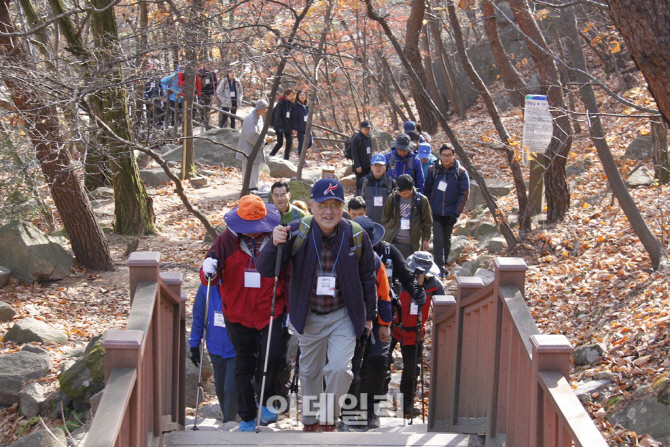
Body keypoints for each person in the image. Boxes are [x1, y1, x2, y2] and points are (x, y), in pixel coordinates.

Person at [257, 178, 377, 432]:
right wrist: (273, 243)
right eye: (323, 205)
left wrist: (369, 317)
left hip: (343, 314)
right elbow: (266, 269)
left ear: (343, 207)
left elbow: (368, 277)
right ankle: (311, 422)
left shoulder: (355, 235)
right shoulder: (297, 231)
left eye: (335, 205)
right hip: (309, 314)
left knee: (340, 370)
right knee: (310, 372)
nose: (328, 211)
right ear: (312, 206)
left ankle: (328, 418)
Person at [200, 195, 287, 432]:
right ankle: (247, 415)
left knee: (273, 356)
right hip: (237, 312)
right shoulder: (224, 242)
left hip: (270, 308)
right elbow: (211, 276)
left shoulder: (276, 237)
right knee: (244, 363)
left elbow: (288, 272)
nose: (253, 233)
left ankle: (267, 403)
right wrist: (207, 269)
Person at [345, 216, 392, 429]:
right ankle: (345, 413)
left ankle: (364, 412)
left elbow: (384, 295)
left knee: (370, 365)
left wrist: (385, 324)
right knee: (348, 368)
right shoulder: (340, 257)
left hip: (368, 321)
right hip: (343, 320)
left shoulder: (375, 262)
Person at [389, 251, 440, 419]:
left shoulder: (434, 284)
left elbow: (444, 306)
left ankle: (407, 404)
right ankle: (374, 399)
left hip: (415, 331)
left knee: (412, 370)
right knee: (379, 362)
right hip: (392, 327)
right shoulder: (399, 278)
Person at [189, 284, 238, 422]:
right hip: (215, 347)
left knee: (231, 388)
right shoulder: (206, 286)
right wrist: (194, 344)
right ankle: (228, 416)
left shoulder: (238, 281)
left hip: (237, 347)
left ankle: (229, 421)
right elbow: (198, 317)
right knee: (220, 387)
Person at [424, 143, 470, 276]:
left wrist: (457, 212)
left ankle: (444, 262)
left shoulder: (460, 172)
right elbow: (427, 190)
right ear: (440, 156)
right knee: (438, 239)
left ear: (454, 155)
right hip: (435, 211)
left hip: (451, 212)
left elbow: (464, 193)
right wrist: (427, 209)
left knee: (447, 239)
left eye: (449, 155)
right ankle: (439, 267)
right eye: (443, 155)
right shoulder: (433, 170)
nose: (446, 158)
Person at [381, 174, 432, 259]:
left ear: (412, 188)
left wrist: (426, 239)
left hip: (412, 243)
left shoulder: (422, 200)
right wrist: (388, 230)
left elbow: (427, 222)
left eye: (406, 193)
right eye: (400, 193)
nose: (403, 195)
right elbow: (385, 217)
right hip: (393, 240)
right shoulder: (393, 198)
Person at [355, 153, 396, 225]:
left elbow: (395, 204)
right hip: (366, 222)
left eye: (380, 165)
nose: (378, 168)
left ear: (385, 167)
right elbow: (356, 202)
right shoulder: (364, 182)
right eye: (375, 165)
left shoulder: (391, 183)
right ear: (371, 167)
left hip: (386, 223)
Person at [237, 100, 269, 191]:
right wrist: (263, 142)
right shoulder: (250, 119)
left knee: (255, 169)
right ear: (261, 109)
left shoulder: (259, 118)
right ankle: (249, 187)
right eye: (265, 109)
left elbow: (260, 132)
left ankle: (252, 186)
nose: (266, 111)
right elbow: (251, 136)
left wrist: (265, 139)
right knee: (249, 169)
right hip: (248, 148)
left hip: (255, 148)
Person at [270, 89, 296, 160]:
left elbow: (293, 117)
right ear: (286, 95)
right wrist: (280, 126)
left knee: (289, 142)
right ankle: (271, 155)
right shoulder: (280, 103)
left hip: (288, 125)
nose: (292, 97)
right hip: (280, 125)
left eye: (292, 96)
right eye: (290, 96)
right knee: (280, 143)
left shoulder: (291, 104)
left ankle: (286, 158)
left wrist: (293, 127)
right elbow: (277, 115)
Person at [292, 90, 313, 164]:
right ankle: (302, 160)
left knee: (310, 143)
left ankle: (300, 152)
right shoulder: (296, 106)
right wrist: (294, 128)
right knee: (301, 143)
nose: (302, 96)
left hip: (307, 127)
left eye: (303, 95)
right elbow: (294, 118)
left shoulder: (308, 105)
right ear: (298, 96)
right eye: (300, 95)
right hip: (300, 127)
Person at [144, 63, 164, 129]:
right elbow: (143, 90)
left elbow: (161, 87)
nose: (152, 71)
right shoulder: (145, 78)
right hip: (149, 98)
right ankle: (150, 125)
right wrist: (147, 98)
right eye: (151, 69)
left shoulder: (157, 78)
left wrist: (162, 96)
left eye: (153, 69)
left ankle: (160, 124)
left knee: (159, 111)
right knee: (149, 112)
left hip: (157, 97)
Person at [198, 60, 218, 127]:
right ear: (204, 64)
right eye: (207, 64)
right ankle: (202, 119)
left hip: (209, 93)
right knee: (201, 106)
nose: (208, 66)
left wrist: (213, 93)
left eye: (210, 64)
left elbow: (215, 84)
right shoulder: (199, 72)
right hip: (200, 92)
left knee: (208, 108)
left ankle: (206, 121)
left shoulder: (213, 74)